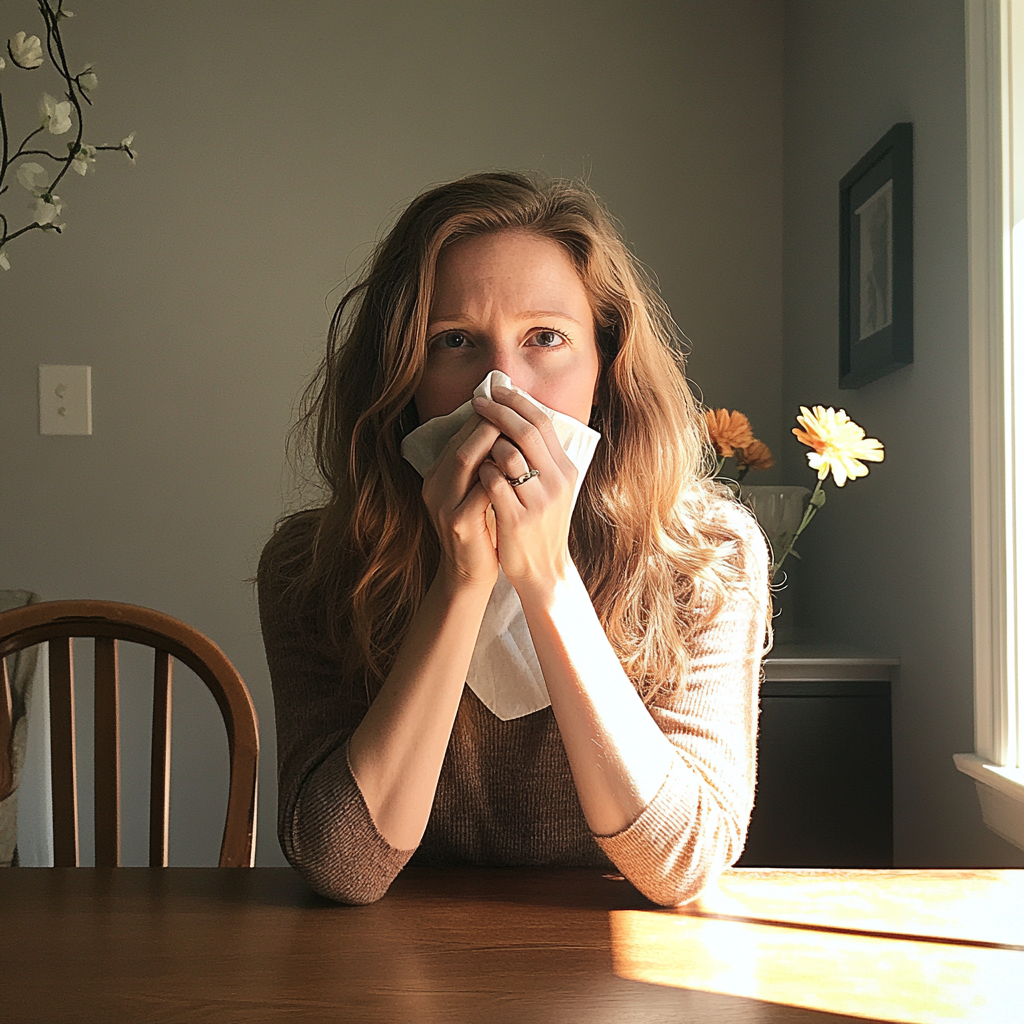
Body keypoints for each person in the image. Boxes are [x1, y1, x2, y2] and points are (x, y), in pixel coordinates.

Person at [257, 171, 770, 907]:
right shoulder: (315, 568)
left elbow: (683, 864)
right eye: (454, 341)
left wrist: (548, 581)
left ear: (605, 366)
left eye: (547, 338)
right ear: (403, 380)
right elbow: (342, 869)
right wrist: (461, 585)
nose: (502, 388)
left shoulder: (709, 556)